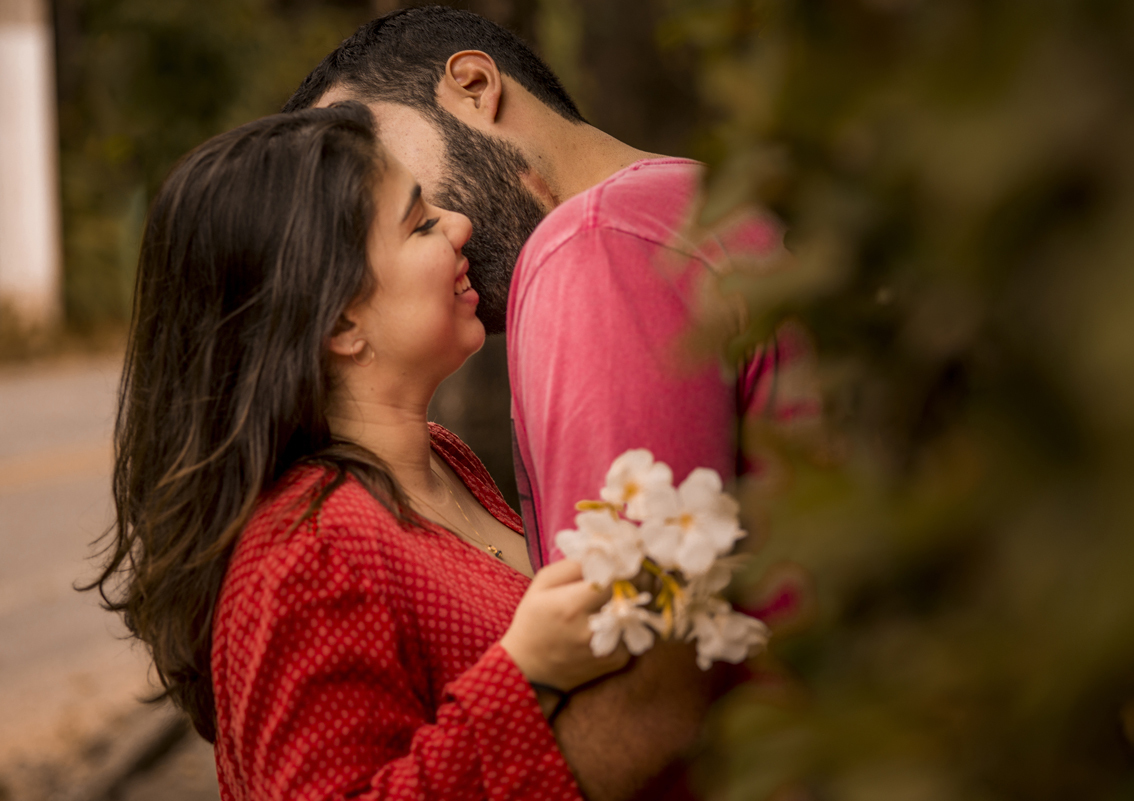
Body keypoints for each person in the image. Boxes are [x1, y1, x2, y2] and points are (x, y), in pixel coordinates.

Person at [284, 7, 813, 800]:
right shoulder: (692, 199)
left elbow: (642, 687)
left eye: (383, 172)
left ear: (472, 86)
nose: (434, 224)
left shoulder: (594, 245)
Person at [87, 102, 630, 800]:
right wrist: (527, 677)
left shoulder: (442, 459)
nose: (461, 225)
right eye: (421, 223)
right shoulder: (313, 553)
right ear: (342, 319)